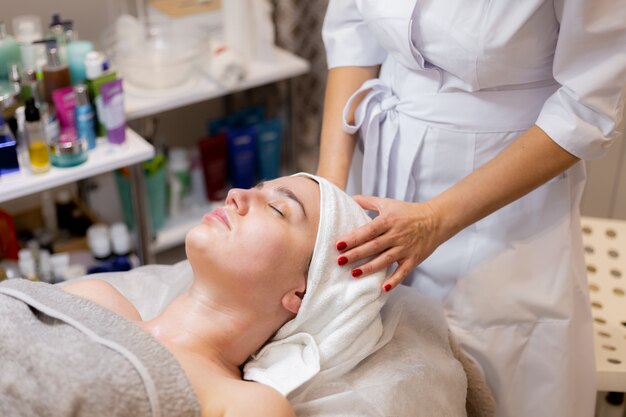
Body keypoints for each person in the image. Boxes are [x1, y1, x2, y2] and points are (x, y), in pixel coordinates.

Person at [317, 1, 625, 417]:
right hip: (379, 171)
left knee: (496, 382)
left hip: (502, 208)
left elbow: (590, 106)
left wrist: (435, 219)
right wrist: (327, 194)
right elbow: (353, 35)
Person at [1, 175, 320, 417]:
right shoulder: (97, 296)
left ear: (300, 293)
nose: (234, 195)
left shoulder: (247, 402)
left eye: (278, 209)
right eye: (254, 188)